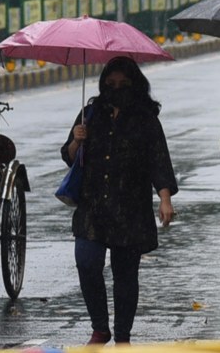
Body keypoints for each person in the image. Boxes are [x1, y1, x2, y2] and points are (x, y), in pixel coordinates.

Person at [60, 56, 178, 346]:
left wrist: (165, 199)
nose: (116, 89)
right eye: (110, 84)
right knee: (86, 263)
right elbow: (70, 157)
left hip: (131, 209)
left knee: (125, 277)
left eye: (123, 84)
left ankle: (123, 337)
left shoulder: (146, 119)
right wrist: (77, 140)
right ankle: (100, 328)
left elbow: (159, 161)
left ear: (135, 85)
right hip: (93, 207)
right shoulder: (90, 114)